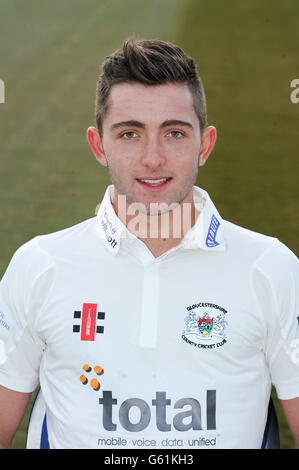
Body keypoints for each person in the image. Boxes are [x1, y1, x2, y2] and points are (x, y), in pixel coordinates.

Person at [0, 37, 298, 450]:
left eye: (174, 133)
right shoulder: (40, 266)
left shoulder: (271, 268)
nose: (153, 159)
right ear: (98, 145)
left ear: (205, 144)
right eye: (129, 134)